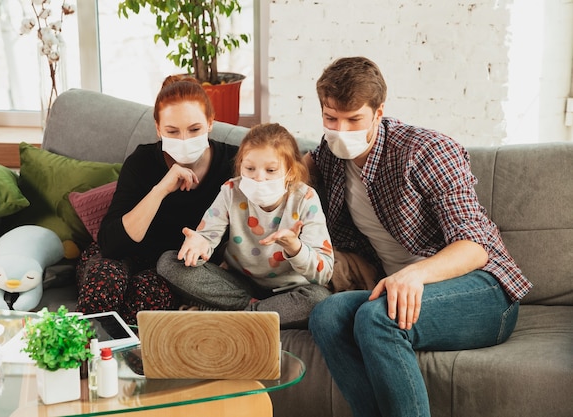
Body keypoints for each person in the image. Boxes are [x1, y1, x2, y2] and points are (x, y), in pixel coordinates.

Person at [305, 57, 533, 416]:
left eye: (354, 120)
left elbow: (475, 247)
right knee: (327, 315)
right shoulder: (331, 154)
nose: (340, 129)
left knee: (377, 318)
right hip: (396, 288)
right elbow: (284, 168)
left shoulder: (425, 151)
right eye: (331, 118)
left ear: (378, 113)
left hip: (483, 291)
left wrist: (414, 274)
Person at [75, 75, 239, 325]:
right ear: (158, 129)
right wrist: (160, 189)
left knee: (148, 297)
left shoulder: (234, 164)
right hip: (121, 254)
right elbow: (112, 245)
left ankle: (126, 361)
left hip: (171, 267)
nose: (184, 140)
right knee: (105, 279)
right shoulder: (141, 162)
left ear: (210, 123)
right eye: (172, 131)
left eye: (194, 129)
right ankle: (84, 358)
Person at [157, 123, 334, 329]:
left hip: (290, 291)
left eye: (271, 170)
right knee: (169, 262)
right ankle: (252, 315)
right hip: (239, 284)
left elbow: (324, 273)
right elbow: (208, 235)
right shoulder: (231, 190)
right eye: (250, 168)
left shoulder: (305, 198)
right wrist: (200, 243)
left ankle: (233, 316)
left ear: (291, 173)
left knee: (319, 300)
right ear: (240, 165)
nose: (258, 177)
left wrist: (295, 247)